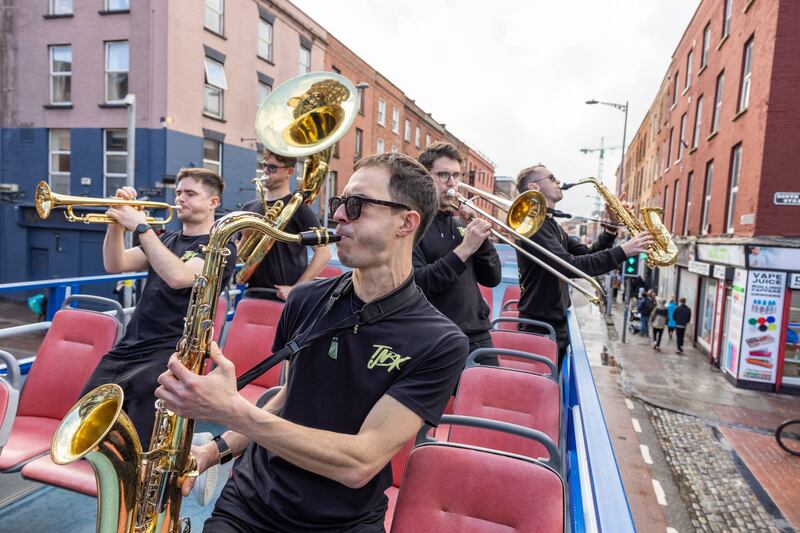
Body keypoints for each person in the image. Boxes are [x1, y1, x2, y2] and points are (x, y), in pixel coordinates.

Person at [156, 153, 468, 532]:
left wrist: (233, 411)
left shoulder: (441, 342)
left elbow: (359, 464)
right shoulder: (305, 299)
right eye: (339, 203)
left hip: (339, 521)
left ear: (406, 222)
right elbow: (290, 394)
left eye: (356, 206)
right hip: (250, 501)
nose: (337, 216)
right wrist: (214, 451)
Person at [80, 168, 235, 449]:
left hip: (170, 352)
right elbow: (115, 264)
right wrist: (115, 220)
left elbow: (178, 278)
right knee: (85, 425)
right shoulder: (166, 240)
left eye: (190, 193)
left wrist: (141, 227)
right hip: (130, 345)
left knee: (141, 446)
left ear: (213, 202)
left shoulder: (218, 247)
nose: (180, 199)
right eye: (178, 192)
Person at [513, 164, 654, 365]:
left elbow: (586, 254)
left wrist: (612, 229)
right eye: (552, 178)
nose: (558, 182)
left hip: (550, 323)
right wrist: (624, 251)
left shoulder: (551, 224)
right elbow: (571, 266)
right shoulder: (534, 225)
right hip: (540, 326)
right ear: (534, 188)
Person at [413, 142, 501, 358]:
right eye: (443, 175)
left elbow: (492, 278)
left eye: (456, 175)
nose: (452, 183)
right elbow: (419, 283)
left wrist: (480, 239)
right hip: (436, 337)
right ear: (425, 177)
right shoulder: (412, 225)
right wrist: (465, 248)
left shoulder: (461, 224)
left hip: (479, 335)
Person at [240, 148, 332, 300]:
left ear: (289, 172)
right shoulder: (249, 208)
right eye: (263, 165)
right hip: (252, 293)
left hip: (285, 297)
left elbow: (324, 252)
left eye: (272, 168)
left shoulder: (299, 208)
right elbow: (238, 256)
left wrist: (296, 288)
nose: (265, 171)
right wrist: (245, 238)